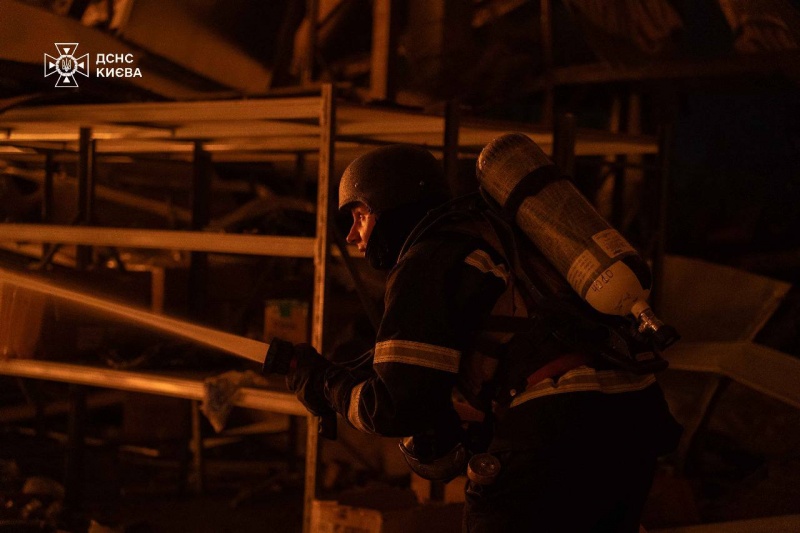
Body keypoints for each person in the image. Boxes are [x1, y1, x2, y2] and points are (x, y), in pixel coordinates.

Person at [280, 144, 682, 532]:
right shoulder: (498, 238)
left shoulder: (428, 259)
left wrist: (324, 385)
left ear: (390, 206)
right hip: (632, 417)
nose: (353, 235)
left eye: (359, 215)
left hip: (556, 429)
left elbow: (394, 407)